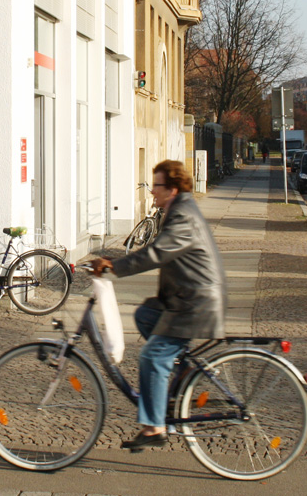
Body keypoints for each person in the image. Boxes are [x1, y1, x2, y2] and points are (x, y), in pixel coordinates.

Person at [91, 159, 227, 450]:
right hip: (184, 299)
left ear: (173, 189)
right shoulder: (177, 210)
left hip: (194, 304)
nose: (152, 192)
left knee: (152, 357)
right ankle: (182, 371)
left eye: (158, 186)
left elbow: (155, 254)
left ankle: (154, 428)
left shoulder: (183, 216)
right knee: (145, 315)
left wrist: (112, 267)